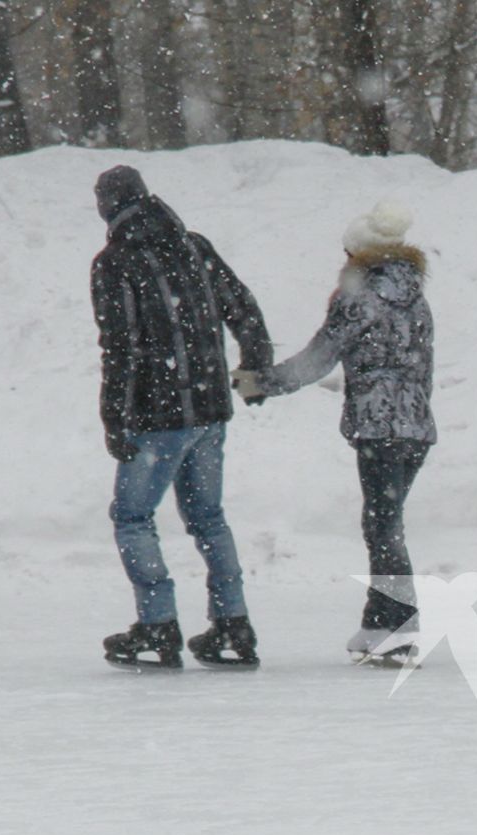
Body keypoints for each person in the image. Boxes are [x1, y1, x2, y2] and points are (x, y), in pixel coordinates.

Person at [231, 201, 435, 665]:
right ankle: (377, 624)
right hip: (416, 426)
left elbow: (320, 357)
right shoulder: (416, 296)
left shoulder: (358, 296)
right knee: (383, 523)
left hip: (378, 424)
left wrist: (264, 382)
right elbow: (424, 367)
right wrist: (415, 415)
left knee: (384, 527)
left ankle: (400, 628)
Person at [91, 165, 272, 669]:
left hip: (157, 416)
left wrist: (115, 417)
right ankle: (233, 625)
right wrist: (253, 367)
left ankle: (157, 626)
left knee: (132, 517)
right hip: (210, 411)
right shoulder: (194, 246)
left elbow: (119, 347)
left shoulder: (115, 263)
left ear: (107, 208)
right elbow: (244, 309)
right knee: (208, 518)